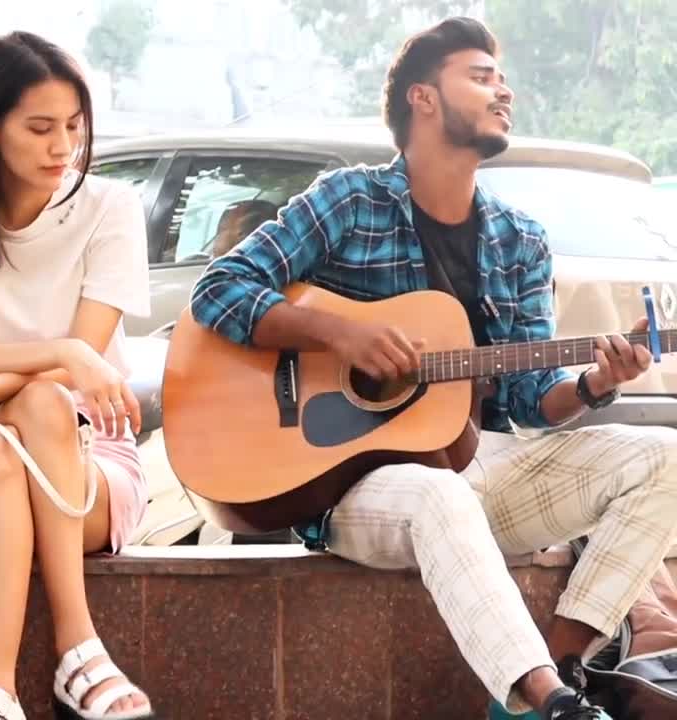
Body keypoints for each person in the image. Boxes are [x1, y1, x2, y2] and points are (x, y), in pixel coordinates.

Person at [188, 16, 677, 720]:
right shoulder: (350, 200)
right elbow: (219, 289)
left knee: (663, 456)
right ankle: (546, 702)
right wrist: (340, 333)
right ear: (422, 97)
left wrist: (597, 382)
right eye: (480, 76)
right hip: (353, 490)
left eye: (501, 78)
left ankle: (562, 673)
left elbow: (529, 400)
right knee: (433, 491)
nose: (502, 90)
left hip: (476, 468)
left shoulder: (519, 239)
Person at [0, 31, 154, 720]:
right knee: (14, 434)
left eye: (74, 126)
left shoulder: (111, 209)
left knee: (42, 408)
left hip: (93, 463)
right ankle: (77, 659)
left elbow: (44, 375)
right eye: (40, 127)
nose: (62, 146)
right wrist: (67, 357)